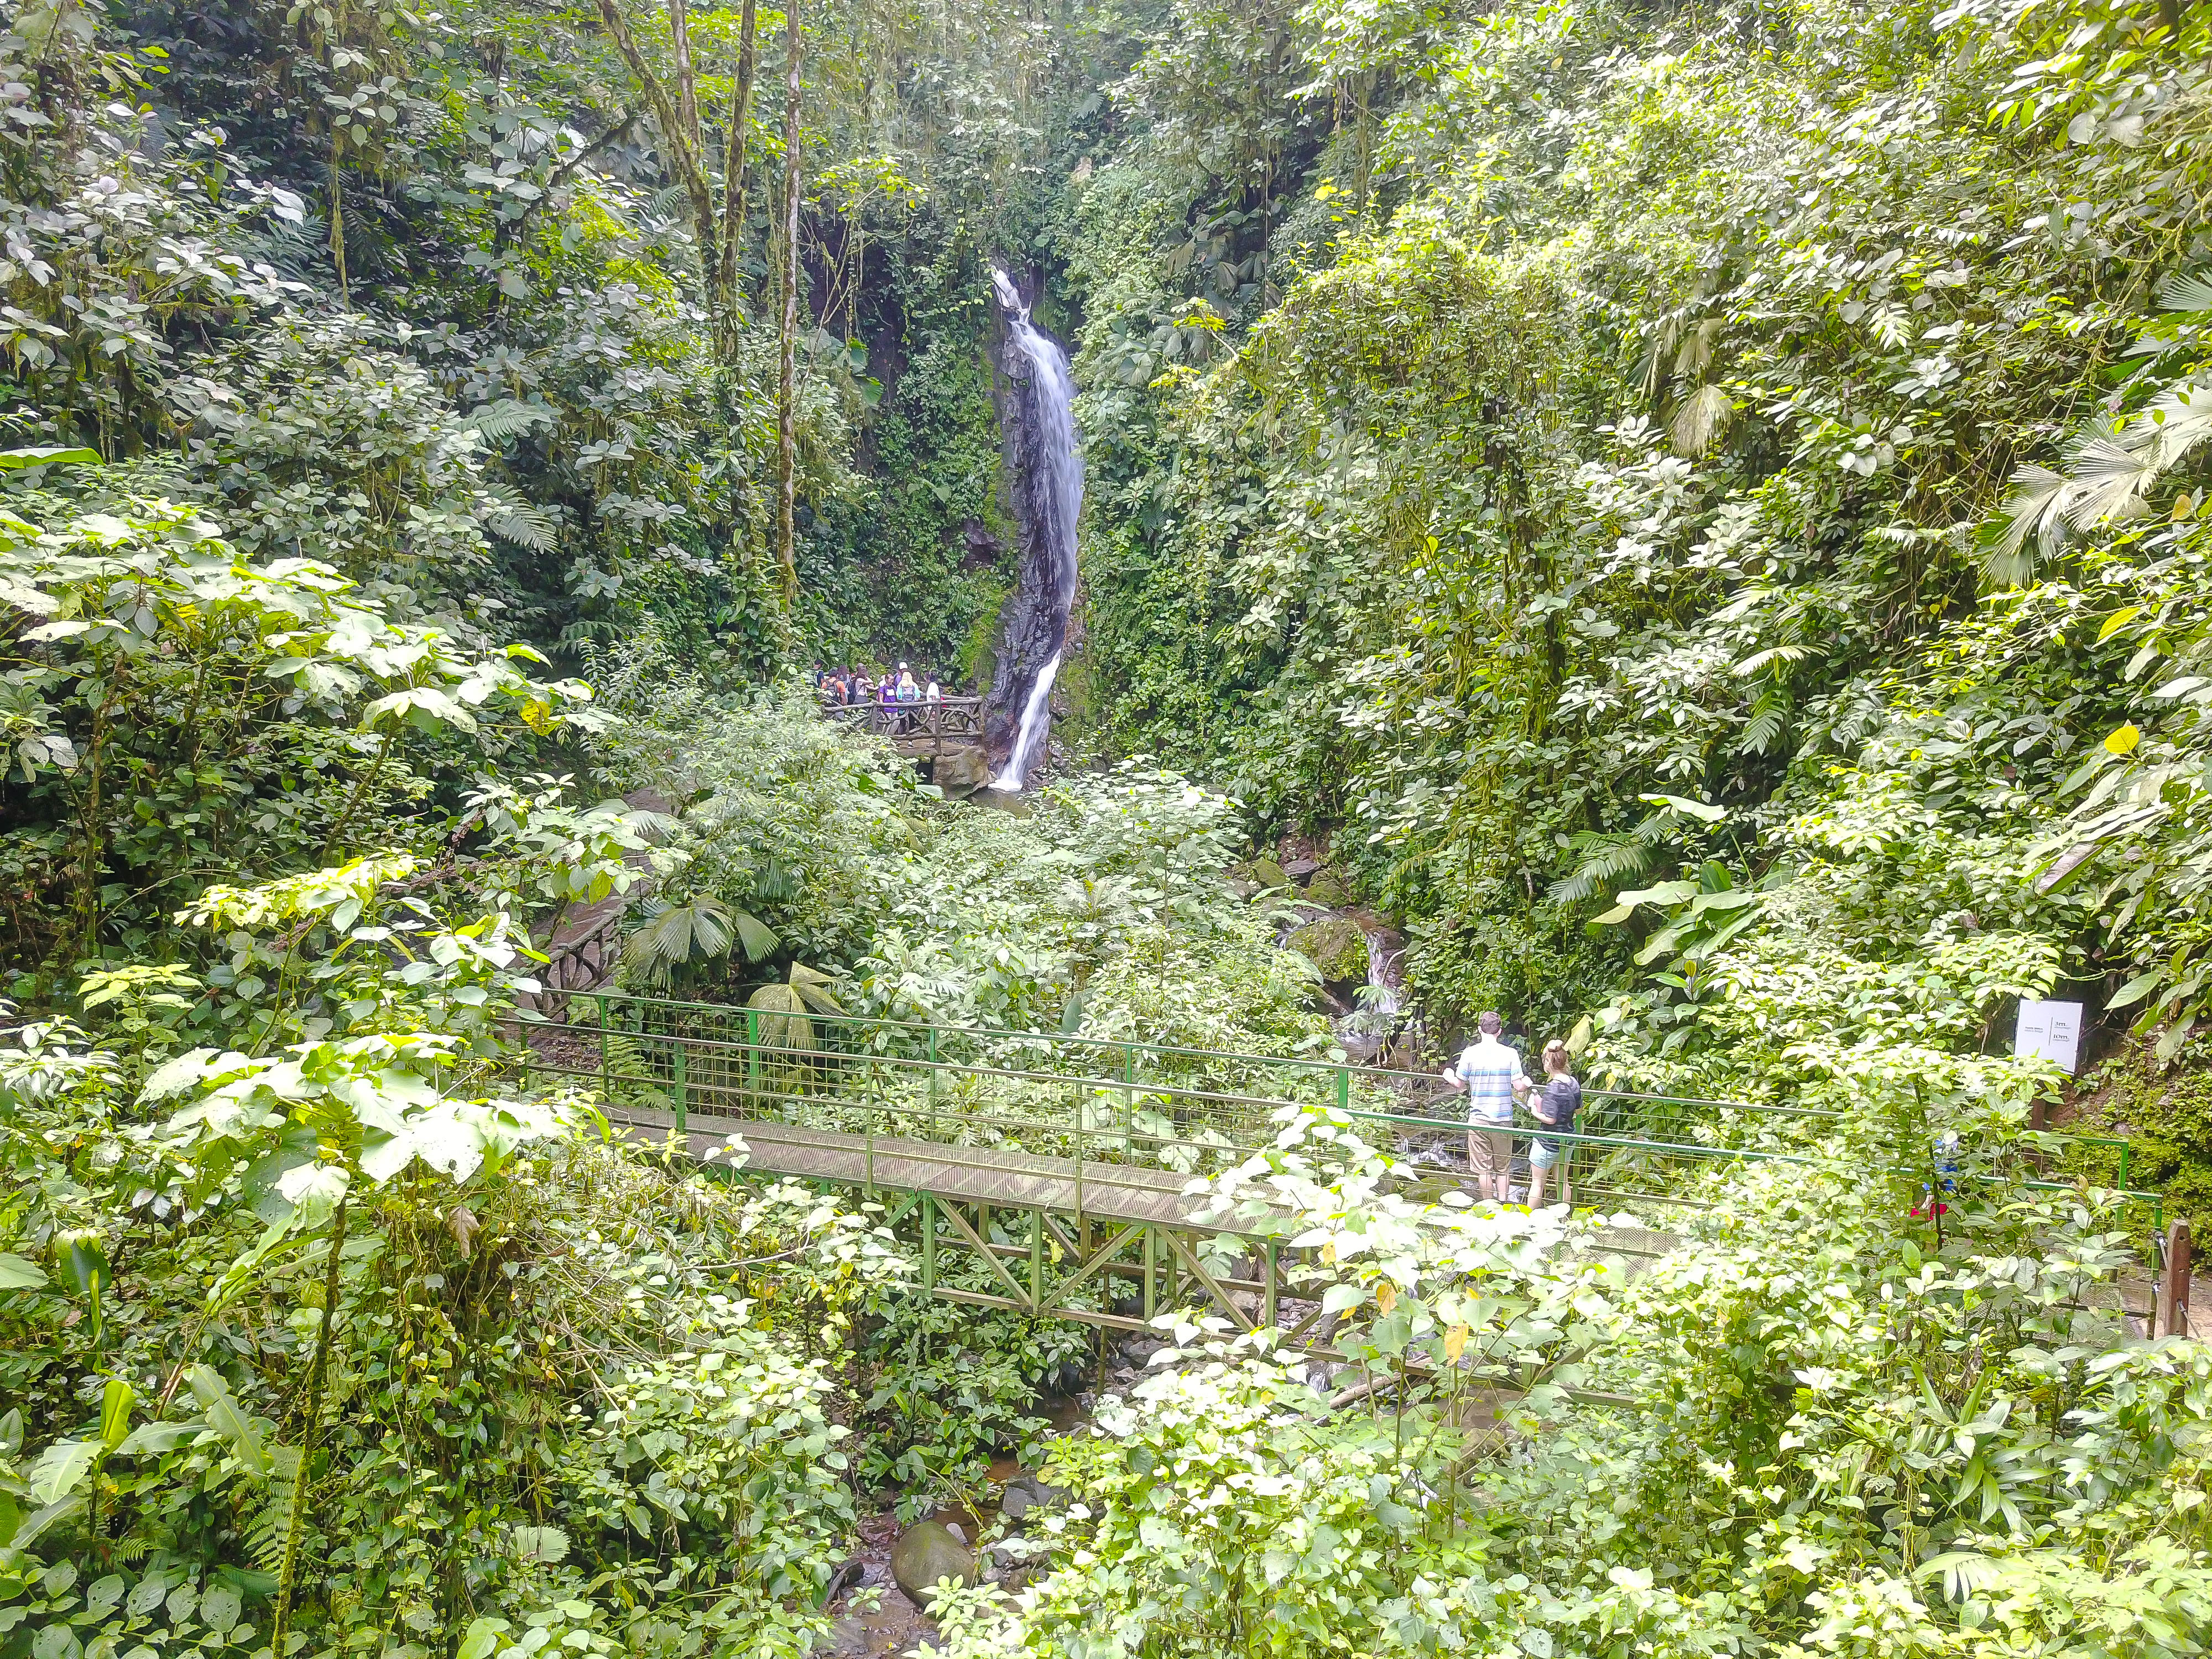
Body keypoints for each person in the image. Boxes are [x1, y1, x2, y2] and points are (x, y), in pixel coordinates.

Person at [1443, 1011, 1527, 1204]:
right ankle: (1504, 1205)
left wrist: (1449, 1076)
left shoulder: (1470, 1053)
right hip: (1503, 1118)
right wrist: (1528, 1082)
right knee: (1503, 1168)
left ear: (1479, 1030)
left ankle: (1488, 1205)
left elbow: (1460, 1084)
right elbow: (1519, 1086)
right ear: (1500, 1032)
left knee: (1483, 1169)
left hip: (1479, 1118)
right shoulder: (1510, 1054)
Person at [1527, 1040, 1582, 1208]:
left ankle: (1529, 1222)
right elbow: (1578, 1110)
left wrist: (1534, 1110)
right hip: (1567, 1138)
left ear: (1548, 1063)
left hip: (1548, 1142)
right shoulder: (1574, 1083)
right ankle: (1564, 1219)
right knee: (1563, 1181)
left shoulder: (1552, 1088)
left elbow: (1550, 1119)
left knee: (1537, 1184)